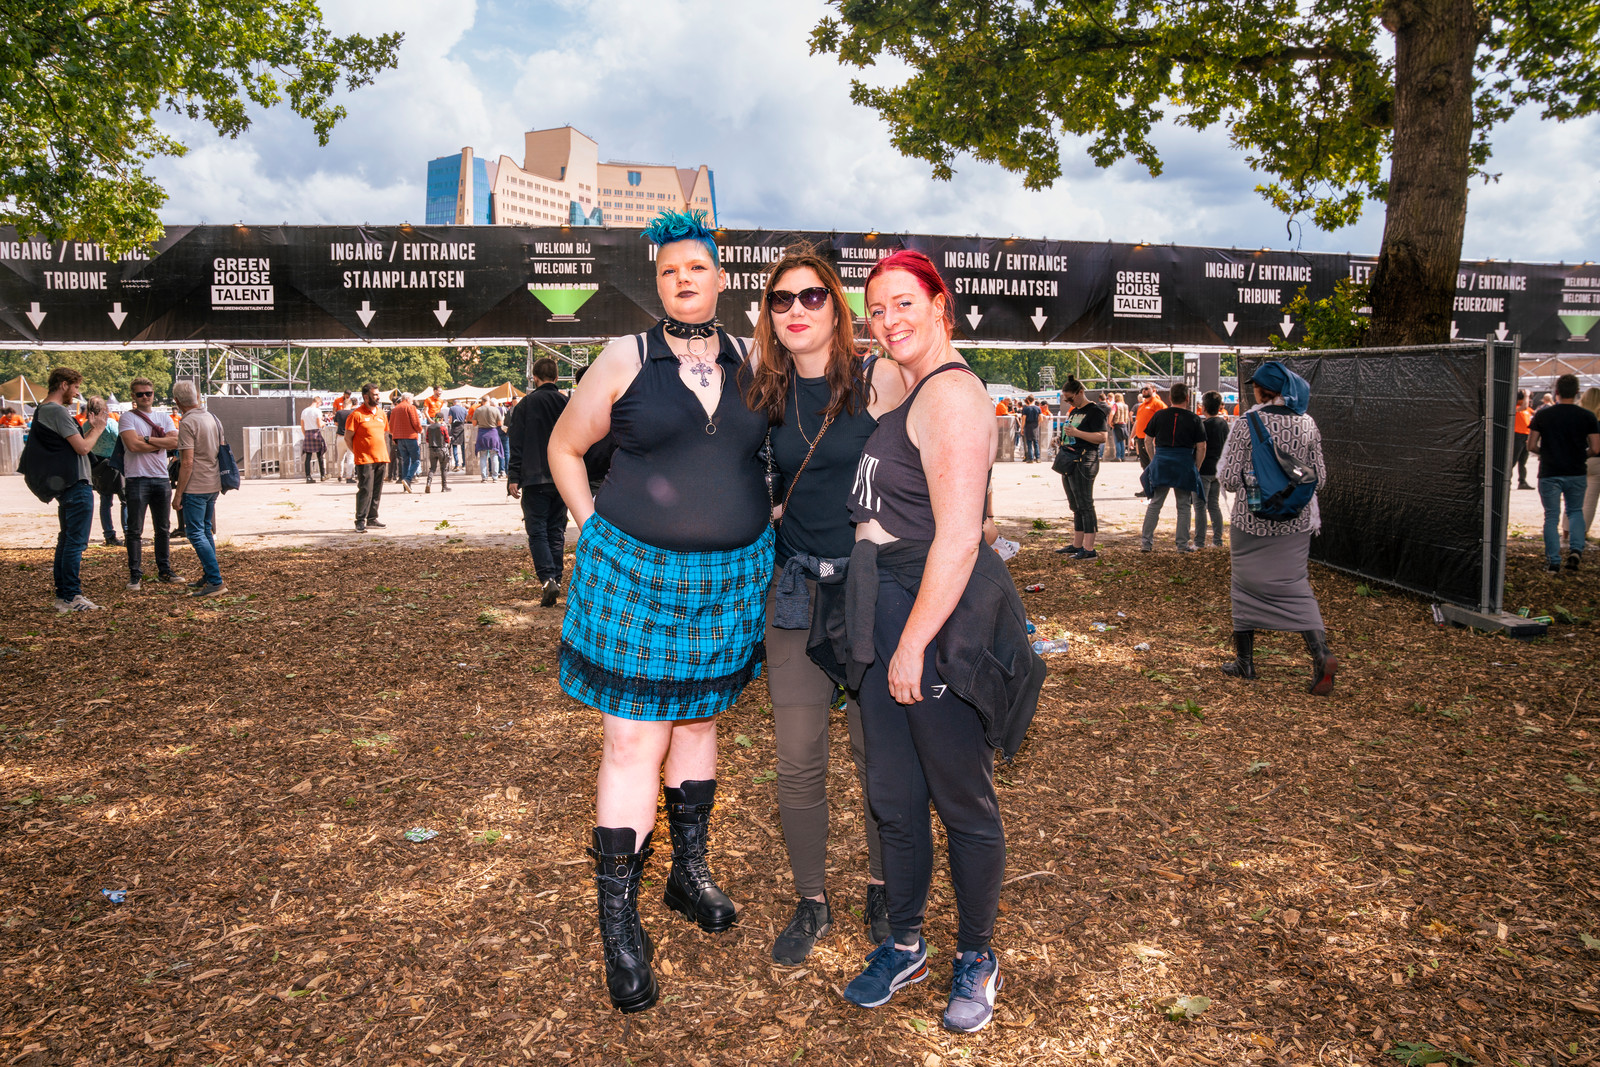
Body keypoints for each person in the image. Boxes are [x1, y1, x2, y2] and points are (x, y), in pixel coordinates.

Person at [547, 209, 771, 1016]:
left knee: (702, 727)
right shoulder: (622, 357)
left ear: (721, 278)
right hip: (636, 581)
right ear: (659, 283)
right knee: (633, 740)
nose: (684, 279)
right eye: (670, 270)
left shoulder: (757, 359)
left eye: (698, 267)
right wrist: (592, 528)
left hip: (733, 581)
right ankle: (619, 925)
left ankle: (688, 872)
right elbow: (565, 448)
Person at [832, 249, 1040, 1034]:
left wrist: (914, 642)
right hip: (882, 603)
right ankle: (907, 940)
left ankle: (977, 955)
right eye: (876, 309)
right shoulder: (903, 381)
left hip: (932, 611)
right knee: (894, 794)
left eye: (903, 305)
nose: (888, 322)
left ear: (940, 303)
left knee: (962, 798)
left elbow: (959, 537)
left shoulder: (953, 397)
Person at [747, 245, 908, 965]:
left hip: (871, 590)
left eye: (812, 297)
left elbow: (935, 456)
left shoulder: (882, 381)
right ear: (768, 315)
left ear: (836, 307)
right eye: (782, 300)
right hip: (796, 590)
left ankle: (882, 883)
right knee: (798, 758)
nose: (797, 311)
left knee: (880, 753)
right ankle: (812, 899)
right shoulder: (762, 393)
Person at [1215, 361, 1336, 693]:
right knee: (1297, 585)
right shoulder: (1307, 423)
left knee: (1243, 586)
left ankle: (1245, 663)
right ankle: (1321, 653)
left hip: (1251, 521)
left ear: (1260, 391)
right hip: (1296, 522)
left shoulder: (1247, 423)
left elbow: (1228, 479)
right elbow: (1320, 478)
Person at [31, 368, 107, 611]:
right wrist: (97, 429)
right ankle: (71, 596)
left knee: (66, 541)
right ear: (64, 385)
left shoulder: (43, 410)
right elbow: (83, 448)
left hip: (66, 486)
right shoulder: (56, 411)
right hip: (76, 484)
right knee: (75, 543)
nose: (76, 394)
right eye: (75, 388)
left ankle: (63, 595)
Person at [506, 358, 570, 608]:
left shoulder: (525, 405)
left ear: (535, 377)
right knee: (557, 530)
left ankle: (547, 579)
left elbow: (516, 442)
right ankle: (558, 577)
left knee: (537, 531)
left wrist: (513, 477)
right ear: (556, 377)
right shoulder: (567, 403)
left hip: (534, 477)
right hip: (563, 476)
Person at [1528, 373, 1600, 573]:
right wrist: (1579, 454)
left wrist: (1547, 453)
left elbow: (1531, 445)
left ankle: (1553, 561)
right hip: (1576, 471)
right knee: (1575, 511)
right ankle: (1576, 550)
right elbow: (1595, 448)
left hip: (1550, 471)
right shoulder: (1587, 416)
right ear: (1577, 393)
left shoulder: (1543, 415)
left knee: (1551, 516)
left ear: (1556, 392)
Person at [119, 378, 184, 590]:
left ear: (154, 394)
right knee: (134, 530)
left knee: (163, 528)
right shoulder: (127, 418)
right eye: (140, 394)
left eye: (148, 393)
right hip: (136, 478)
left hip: (160, 478)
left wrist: (145, 439)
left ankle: (165, 569)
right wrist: (159, 442)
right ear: (133, 396)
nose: (145, 397)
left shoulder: (163, 417)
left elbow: (175, 442)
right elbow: (132, 445)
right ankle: (135, 573)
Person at [170, 380, 227, 597]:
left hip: (196, 485)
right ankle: (209, 575)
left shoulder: (187, 423)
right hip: (213, 482)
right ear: (197, 396)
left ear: (177, 401)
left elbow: (187, 462)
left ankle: (215, 580)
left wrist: (178, 494)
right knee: (204, 530)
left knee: (195, 533)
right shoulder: (211, 417)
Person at [1138, 382, 1206, 552]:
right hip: (1184, 463)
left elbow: (1147, 440)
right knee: (1183, 505)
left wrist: (1154, 460)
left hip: (1162, 460)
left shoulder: (1160, 415)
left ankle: (1146, 543)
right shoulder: (1194, 418)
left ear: (1170, 397)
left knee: (1155, 503)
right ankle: (1182, 545)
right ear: (1187, 398)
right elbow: (1201, 446)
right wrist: (1196, 466)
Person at [1053, 375, 1108, 560]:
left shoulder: (1095, 412)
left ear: (1081, 392)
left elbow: (1102, 437)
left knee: (1085, 503)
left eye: (1070, 398)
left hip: (1085, 460)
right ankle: (1077, 544)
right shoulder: (1074, 411)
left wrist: (1077, 433)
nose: (1069, 402)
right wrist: (1061, 439)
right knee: (1075, 505)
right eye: (1066, 399)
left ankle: (1089, 547)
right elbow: (1072, 434)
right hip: (1069, 459)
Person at [346, 383, 389, 533]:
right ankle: (360, 520)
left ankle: (372, 518)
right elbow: (348, 437)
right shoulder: (356, 415)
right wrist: (357, 452)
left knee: (377, 490)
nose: (378, 397)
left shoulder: (382, 413)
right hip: (365, 459)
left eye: (378, 394)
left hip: (381, 457)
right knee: (365, 489)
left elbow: (383, 433)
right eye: (375, 394)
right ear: (366, 397)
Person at [85, 397, 126, 546]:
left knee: (105, 502)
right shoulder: (110, 423)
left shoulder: (85, 426)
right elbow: (121, 440)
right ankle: (128, 533)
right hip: (115, 463)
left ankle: (109, 535)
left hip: (98, 465)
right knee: (125, 500)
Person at [1194, 390, 1230, 549]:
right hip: (1218, 469)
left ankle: (1199, 542)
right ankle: (1217, 540)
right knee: (1214, 505)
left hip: (1204, 469)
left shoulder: (1203, 425)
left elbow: (1200, 447)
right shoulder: (1224, 424)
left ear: (1204, 408)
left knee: (1200, 506)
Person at [1132, 384, 1167, 479]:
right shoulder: (1141, 406)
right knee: (1145, 465)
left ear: (1154, 390)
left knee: (1153, 463)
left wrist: (1158, 436)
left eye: (1147, 389)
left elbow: (1165, 421)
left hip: (1151, 439)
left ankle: (1155, 487)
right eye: (1143, 389)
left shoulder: (1158, 404)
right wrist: (1131, 437)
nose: (1144, 390)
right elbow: (1137, 422)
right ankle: (1148, 487)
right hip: (1141, 438)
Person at [389, 392, 422, 492]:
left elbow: (391, 426)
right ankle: (407, 479)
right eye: (411, 399)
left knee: (405, 461)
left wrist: (395, 435)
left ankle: (405, 485)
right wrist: (420, 430)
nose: (412, 401)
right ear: (408, 399)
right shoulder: (410, 407)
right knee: (416, 460)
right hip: (410, 437)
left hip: (399, 438)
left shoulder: (395, 409)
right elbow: (416, 422)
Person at [473, 395, 504, 482]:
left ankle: (484, 478)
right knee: (494, 455)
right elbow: (500, 423)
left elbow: (474, 423)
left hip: (482, 434)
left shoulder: (478, 410)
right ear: (489, 401)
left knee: (483, 456)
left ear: (482, 401)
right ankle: (495, 477)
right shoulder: (495, 409)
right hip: (493, 433)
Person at [299, 400, 327, 483]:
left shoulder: (304, 411)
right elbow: (319, 424)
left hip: (307, 433)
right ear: (318, 402)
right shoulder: (317, 411)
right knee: (320, 455)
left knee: (308, 456)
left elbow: (302, 425)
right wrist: (324, 423)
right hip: (316, 433)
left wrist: (305, 435)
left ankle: (308, 476)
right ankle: (322, 475)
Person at [423, 414, 451, 493]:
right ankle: (444, 487)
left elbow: (427, 439)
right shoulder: (442, 427)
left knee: (432, 468)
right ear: (441, 419)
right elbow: (447, 439)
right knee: (443, 468)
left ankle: (428, 483)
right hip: (441, 449)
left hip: (432, 449)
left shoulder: (429, 427)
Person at [1513, 389, 1534, 490]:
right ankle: (1506, 480)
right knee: (1513, 460)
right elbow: (1524, 406)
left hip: (1527, 436)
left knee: (1523, 461)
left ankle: (1522, 481)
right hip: (1517, 435)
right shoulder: (1515, 408)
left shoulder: (1529, 410)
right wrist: (1527, 395)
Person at [1019, 394, 1041, 462]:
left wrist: (1022, 428)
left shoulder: (1025, 409)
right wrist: (1037, 424)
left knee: (1029, 442)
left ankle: (1030, 458)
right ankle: (1038, 458)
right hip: (1035, 426)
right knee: (1036, 442)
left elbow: (1024, 419)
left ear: (1028, 400)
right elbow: (1041, 418)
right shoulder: (1038, 408)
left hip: (1028, 426)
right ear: (1034, 400)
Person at [447, 399, 469, 470]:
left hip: (454, 428)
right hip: (462, 428)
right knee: (463, 447)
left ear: (454, 403)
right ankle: (464, 464)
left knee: (454, 447)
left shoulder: (451, 409)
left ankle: (457, 464)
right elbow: (467, 419)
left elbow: (450, 420)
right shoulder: (464, 409)